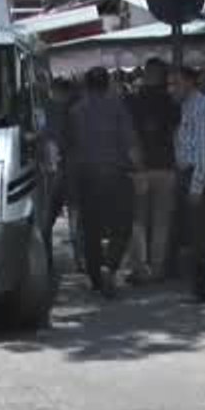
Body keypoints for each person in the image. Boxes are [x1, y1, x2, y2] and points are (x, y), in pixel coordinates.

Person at [62, 66, 137, 298]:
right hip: (116, 174)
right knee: (121, 225)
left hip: (86, 176)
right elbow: (130, 141)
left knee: (91, 228)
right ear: (108, 84)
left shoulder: (75, 111)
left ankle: (95, 276)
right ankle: (111, 265)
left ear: (86, 85)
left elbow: (69, 148)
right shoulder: (118, 107)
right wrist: (139, 169)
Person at [172, 66, 205, 302]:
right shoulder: (187, 106)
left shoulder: (201, 107)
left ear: (189, 83)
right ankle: (199, 285)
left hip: (202, 178)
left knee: (201, 235)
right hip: (191, 175)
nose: (171, 89)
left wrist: (196, 187)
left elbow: (204, 154)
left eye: (175, 84)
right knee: (196, 234)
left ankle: (202, 287)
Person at [126, 58, 179, 284]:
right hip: (166, 166)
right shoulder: (172, 102)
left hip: (139, 168)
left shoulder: (132, 101)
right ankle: (157, 268)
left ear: (146, 74)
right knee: (161, 222)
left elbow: (128, 135)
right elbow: (177, 133)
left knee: (138, 221)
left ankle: (139, 268)